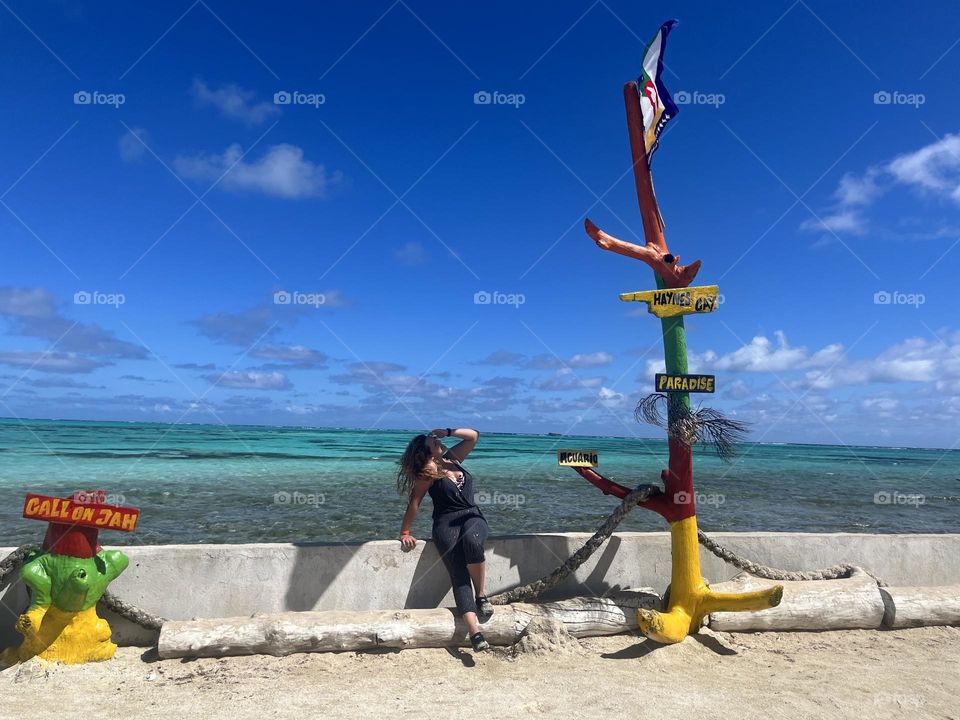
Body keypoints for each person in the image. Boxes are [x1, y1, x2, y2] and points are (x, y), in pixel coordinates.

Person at [396, 426, 494, 651]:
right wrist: (405, 532)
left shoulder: (452, 458)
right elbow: (414, 502)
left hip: (472, 516)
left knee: (472, 540)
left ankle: (481, 594)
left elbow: (474, 436)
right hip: (445, 523)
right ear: (426, 450)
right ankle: (475, 632)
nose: (437, 440)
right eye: (432, 441)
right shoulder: (426, 473)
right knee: (458, 574)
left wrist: (447, 431)